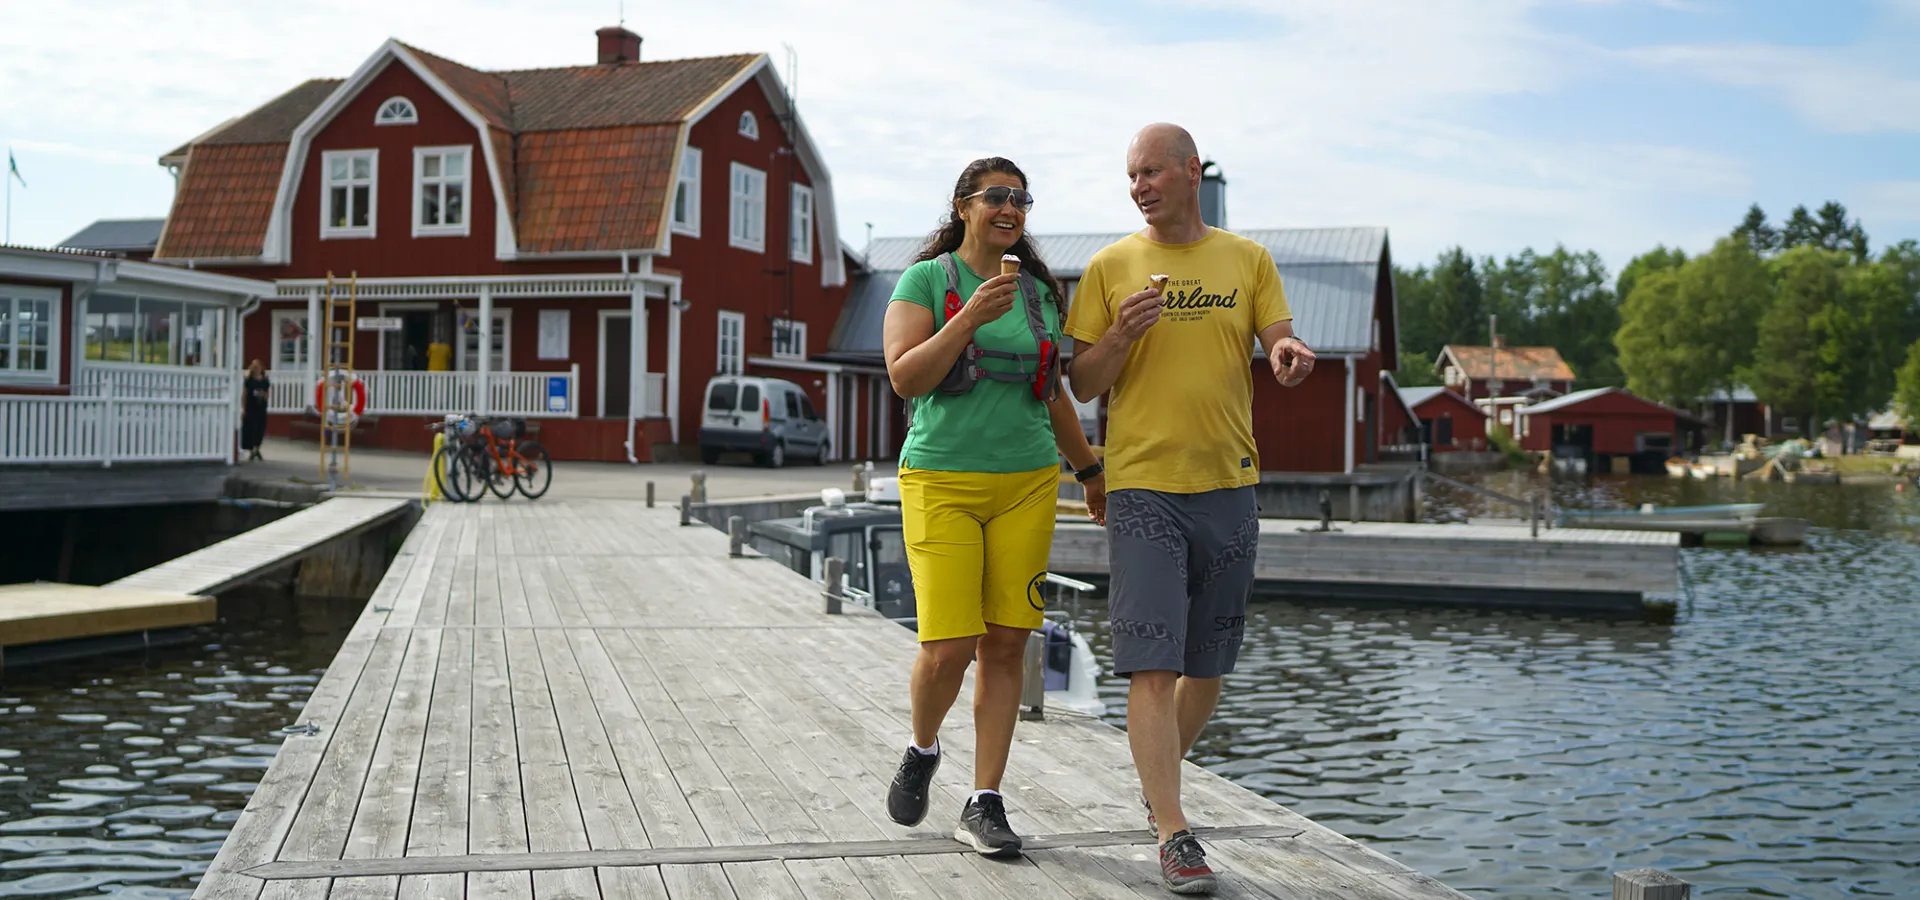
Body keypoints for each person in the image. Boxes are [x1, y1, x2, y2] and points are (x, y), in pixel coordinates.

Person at [1065, 124, 1316, 895]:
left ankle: (1155, 783)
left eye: (1150, 172)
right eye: (1130, 175)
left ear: (1190, 172)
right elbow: (1081, 382)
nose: (1138, 186)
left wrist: (1287, 356)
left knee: (1207, 664)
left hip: (1230, 486)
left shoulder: (1247, 260)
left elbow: (1280, 340)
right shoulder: (1111, 266)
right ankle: (1174, 831)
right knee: (1152, 660)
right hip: (1141, 485)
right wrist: (1119, 334)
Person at [881, 156, 1107, 858]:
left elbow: (1053, 393)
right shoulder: (928, 281)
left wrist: (1091, 471)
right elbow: (903, 377)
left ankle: (985, 801)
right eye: (996, 197)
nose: (1010, 209)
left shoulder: (1040, 292)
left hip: (1029, 480)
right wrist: (968, 320)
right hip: (941, 480)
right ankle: (922, 749)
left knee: (1007, 642)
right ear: (962, 207)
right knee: (947, 646)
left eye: (1021, 199)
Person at [242, 360, 270, 462]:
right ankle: (252, 449)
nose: (257, 369)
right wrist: (243, 408)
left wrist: (263, 395)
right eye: (254, 367)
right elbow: (245, 394)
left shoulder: (265, 381)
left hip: (261, 407)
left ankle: (257, 449)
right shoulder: (249, 380)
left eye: (258, 367)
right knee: (252, 428)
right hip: (251, 407)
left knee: (261, 428)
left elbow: (267, 394)